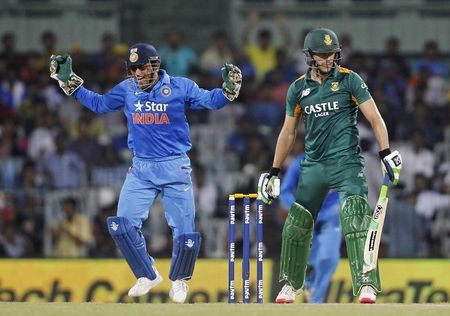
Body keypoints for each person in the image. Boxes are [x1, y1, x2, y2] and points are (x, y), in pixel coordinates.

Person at [49, 43, 242, 303]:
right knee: (121, 225)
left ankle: (180, 280)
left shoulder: (179, 86)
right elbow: (100, 104)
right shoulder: (127, 90)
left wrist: (228, 90)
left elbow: (210, 101)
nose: (138, 73)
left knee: (185, 232)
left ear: (154, 64)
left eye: (142, 67)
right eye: (133, 69)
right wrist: (70, 82)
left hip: (174, 166)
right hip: (141, 168)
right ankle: (147, 274)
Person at [257, 28, 402, 304]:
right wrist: (274, 171)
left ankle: (367, 283)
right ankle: (291, 284)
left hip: (346, 161)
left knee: (355, 215)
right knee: (297, 221)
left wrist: (386, 152)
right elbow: (288, 133)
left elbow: (375, 117)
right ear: (310, 56)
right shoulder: (298, 89)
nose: (327, 60)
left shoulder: (350, 80)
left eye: (331, 54)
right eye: (322, 55)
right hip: (314, 164)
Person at [279, 153, 341, 303]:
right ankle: (309, 279)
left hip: (329, 217)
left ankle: (316, 299)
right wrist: (297, 210)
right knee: (308, 258)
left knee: (328, 258)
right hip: (305, 217)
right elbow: (285, 191)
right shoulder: (299, 163)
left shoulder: (339, 162)